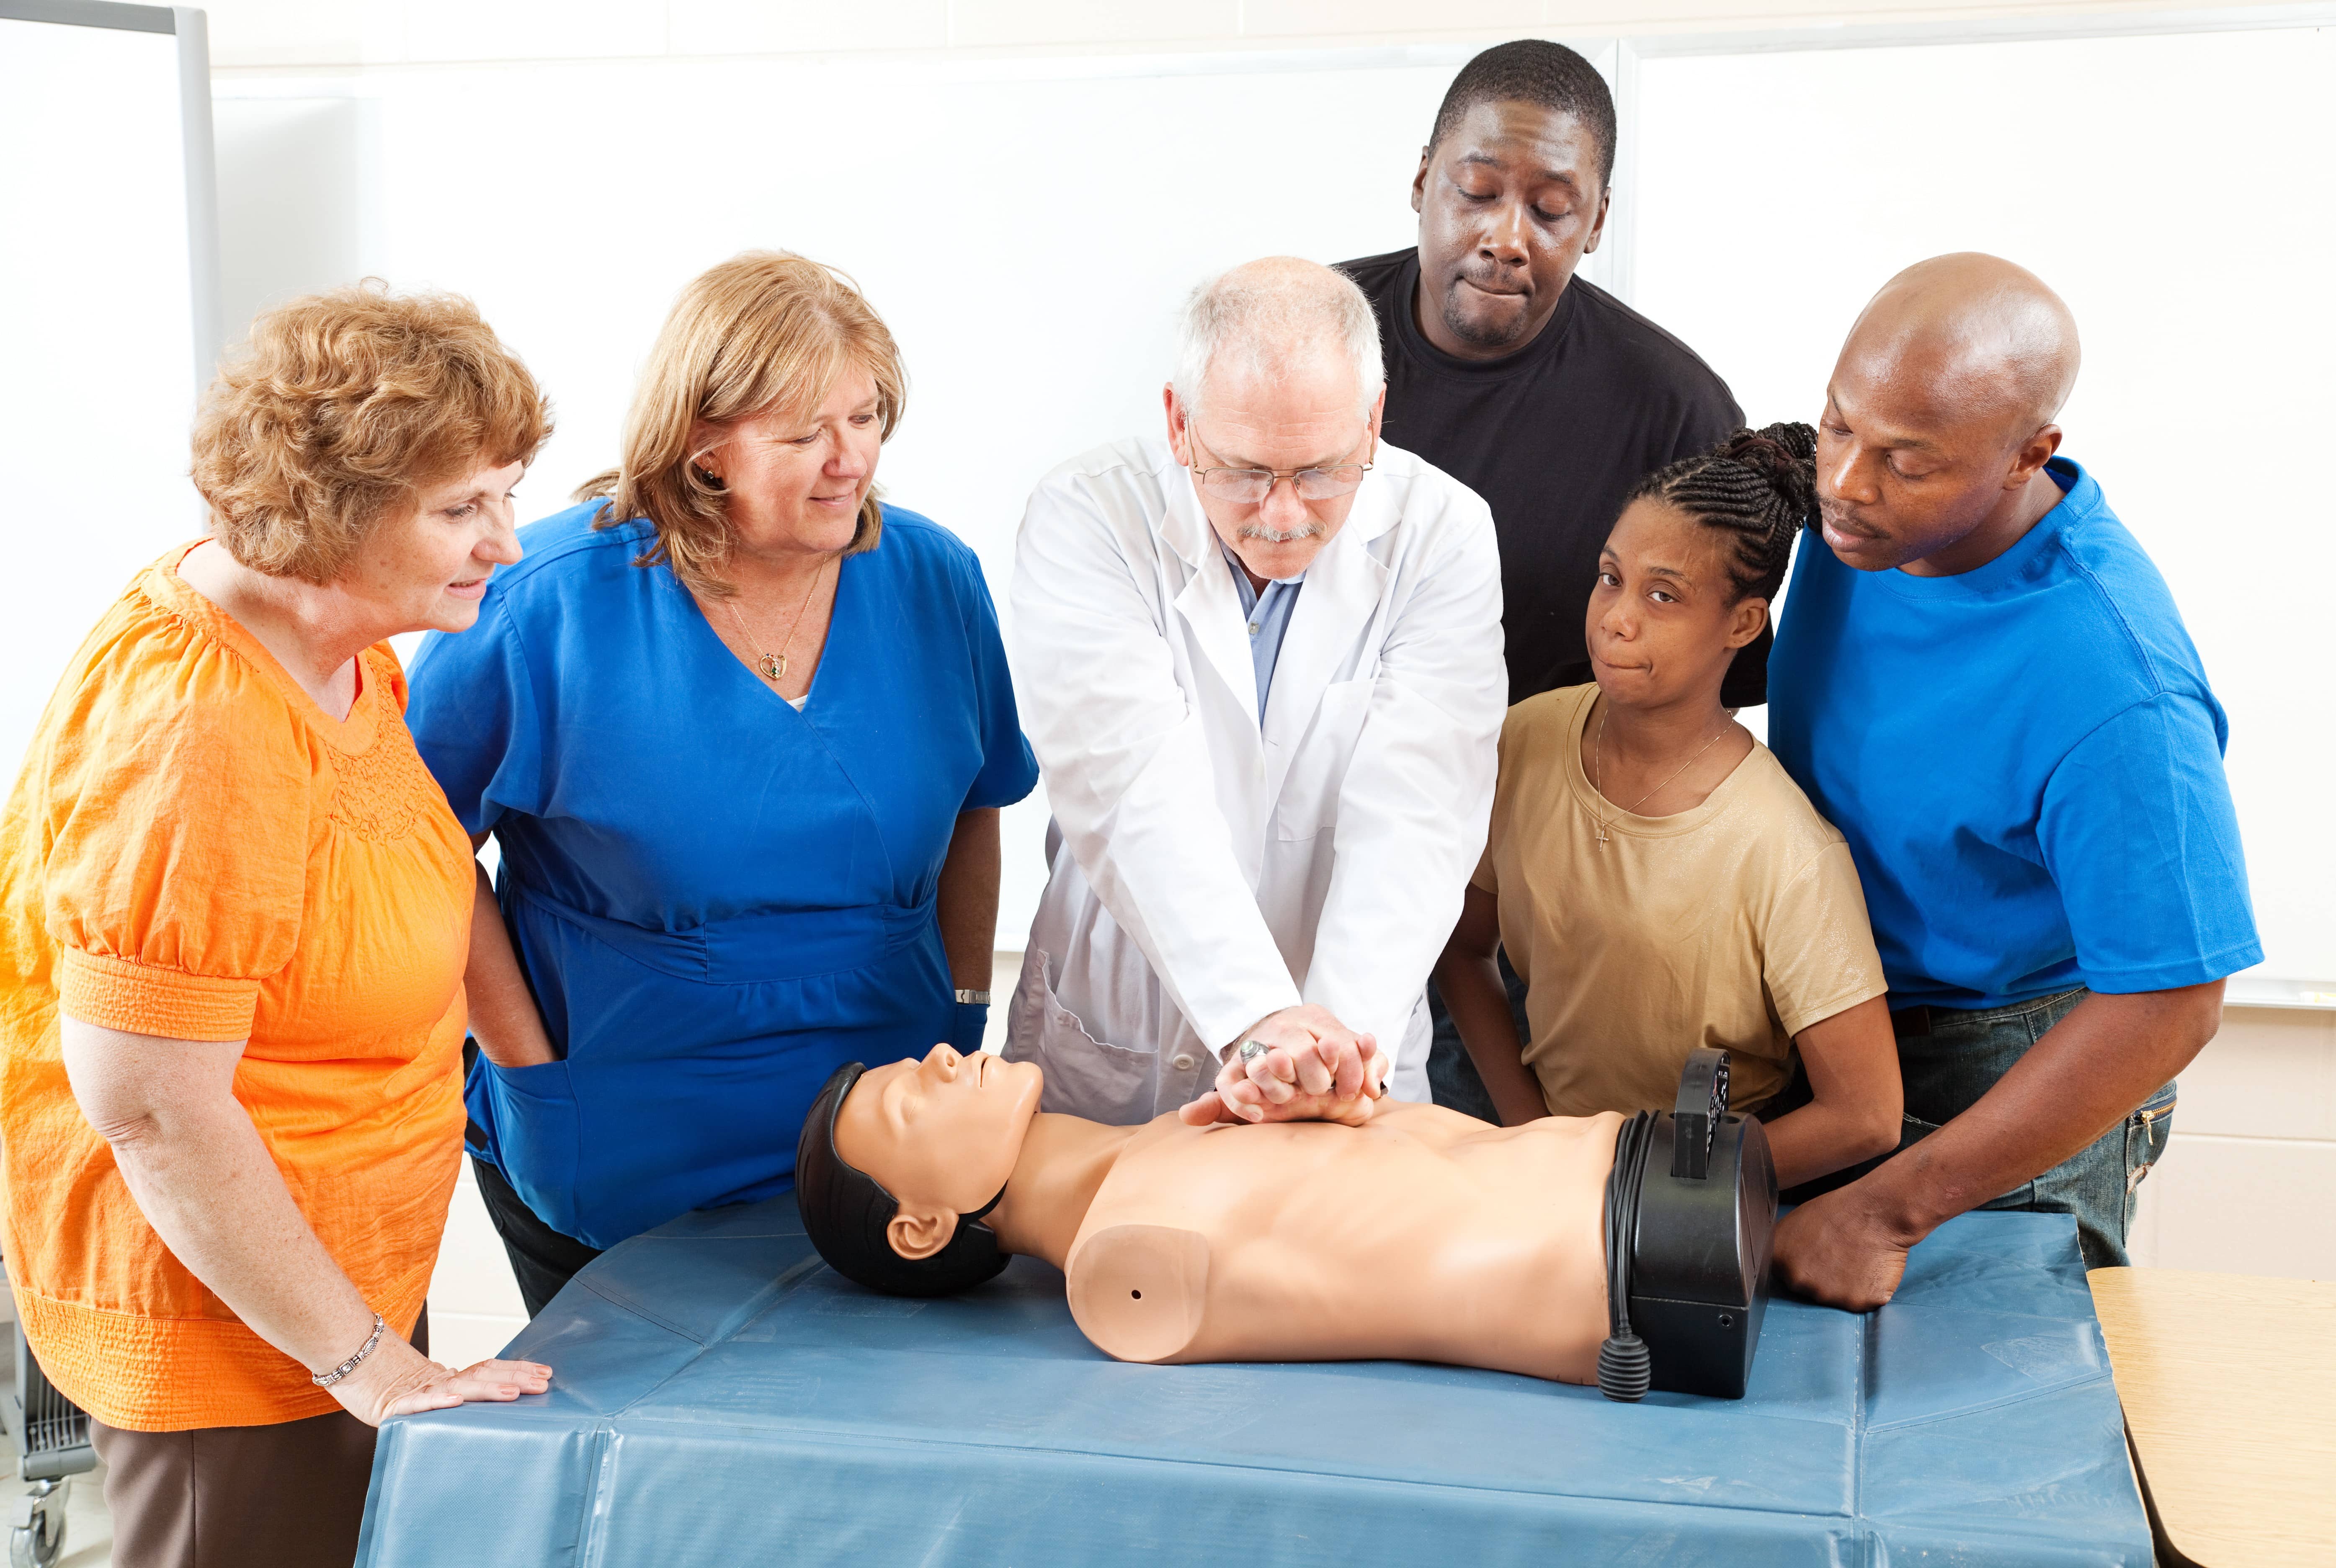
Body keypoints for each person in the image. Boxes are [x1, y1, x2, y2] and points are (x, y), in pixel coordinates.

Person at [0, 284, 555, 1568]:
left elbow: (401, 868)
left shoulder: (346, 644)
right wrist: (365, 1361)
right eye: (463, 509)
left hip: (326, 1275)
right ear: (336, 511)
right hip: (229, 1324)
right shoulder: (201, 728)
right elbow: (148, 1104)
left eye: (506, 496)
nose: (508, 544)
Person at [407, 252, 1038, 1316]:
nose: (851, 461)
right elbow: (418, 847)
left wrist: (965, 1005)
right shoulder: (543, 606)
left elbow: (980, 799)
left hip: (883, 1128)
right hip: (623, 1124)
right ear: (703, 447)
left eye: (868, 415)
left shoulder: (933, 578)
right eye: (802, 435)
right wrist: (525, 1065)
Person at [1766, 254, 2259, 1302]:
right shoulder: (1848, 522)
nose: (1847, 481)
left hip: (2008, 1058)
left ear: (2027, 454)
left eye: (1907, 460)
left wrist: (1889, 1205)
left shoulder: (2116, 685)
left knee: (1992, 1428)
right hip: (1835, 1025)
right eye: (1839, 424)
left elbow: (2172, 1001)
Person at [1333, 39, 1749, 1119]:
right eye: (1474, 191)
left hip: (1518, 913)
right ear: (1422, 179)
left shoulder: (1673, 410)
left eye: (1553, 210)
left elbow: (1703, 709)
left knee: (1483, 1224)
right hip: (1301, 862)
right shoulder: (1313, 340)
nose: (1504, 237)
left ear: (1598, 222)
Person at [1006, 257, 1506, 1126]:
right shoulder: (1086, 518)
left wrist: (1327, 1061)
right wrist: (1259, 1023)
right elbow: (1131, 792)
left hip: (1355, 1037)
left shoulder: (1443, 533)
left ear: (1373, 421)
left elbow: (1417, 817)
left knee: (1331, 1252)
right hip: (1124, 1048)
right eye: (1241, 472)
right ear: (1177, 422)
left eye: (1319, 471)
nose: (1281, 514)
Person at [1434, 426, 1902, 1191]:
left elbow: (1866, 1114)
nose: (1617, 617)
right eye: (1610, 578)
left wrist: (1666, 1196)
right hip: (1544, 1181)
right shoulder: (1525, 739)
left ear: (1743, 625)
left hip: (1688, 1213)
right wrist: (1528, 1133)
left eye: (1663, 595)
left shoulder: (1782, 850)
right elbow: (1461, 949)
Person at [794, 1042, 1773, 1396]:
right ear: (919, 1227)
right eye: (904, 1103)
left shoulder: (1162, 1146)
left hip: (1646, 1169)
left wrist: (1329, 1093)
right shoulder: (1122, 1272)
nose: (935, 1056)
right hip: (1638, 1265)